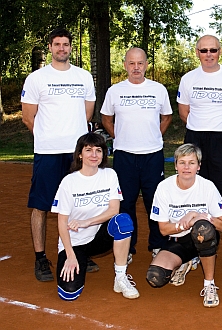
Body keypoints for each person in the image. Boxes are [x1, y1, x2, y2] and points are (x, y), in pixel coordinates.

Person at [21, 28, 96, 281]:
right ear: (50, 47)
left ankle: (78, 250)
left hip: (76, 153)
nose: (61, 48)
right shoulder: (36, 78)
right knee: (41, 205)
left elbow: (87, 114)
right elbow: (28, 117)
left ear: (71, 47)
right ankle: (41, 258)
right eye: (57, 44)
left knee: (79, 202)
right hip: (48, 152)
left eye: (66, 44)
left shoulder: (84, 76)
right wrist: (47, 136)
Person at [177, 35, 222, 273]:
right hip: (196, 139)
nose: (209, 54)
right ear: (197, 52)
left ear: (221, 51)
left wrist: (221, 128)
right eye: (204, 50)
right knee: (193, 192)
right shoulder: (188, 79)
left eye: (213, 50)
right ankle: (194, 248)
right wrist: (203, 129)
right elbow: (184, 112)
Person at [101, 47, 172, 263]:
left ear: (147, 65)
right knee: (126, 203)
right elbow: (106, 118)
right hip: (125, 156)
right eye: (131, 63)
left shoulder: (158, 89)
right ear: (125, 65)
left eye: (140, 63)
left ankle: (158, 246)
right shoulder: (115, 91)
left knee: (154, 202)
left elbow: (167, 117)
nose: (136, 67)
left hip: (152, 155)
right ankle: (128, 248)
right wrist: (119, 137)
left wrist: (153, 136)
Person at [51, 133, 139, 301]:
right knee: (68, 293)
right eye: (89, 150)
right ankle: (77, 258)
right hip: (74, 243)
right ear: (80, 154)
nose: (94, 155)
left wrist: (86, 222)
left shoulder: (109, 175)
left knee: (123, 222)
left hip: (98, 237)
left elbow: (114, 210)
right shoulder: (69, 182)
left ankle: (120, 277)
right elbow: (62, 222)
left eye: (98, 150)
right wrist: (69, 254)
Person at [146, 144, 222, 308]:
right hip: (178, 240)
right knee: (155, 277)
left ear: (199, 166)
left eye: (191, 162)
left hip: (204, 236)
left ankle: (209, 284)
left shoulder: (207, 186)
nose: (186, 167)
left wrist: (198, 218)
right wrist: (187, 223)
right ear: (175, 165)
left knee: (202, 229)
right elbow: (163, 229)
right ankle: (185, 261)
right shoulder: (164, 188)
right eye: (182, 162)